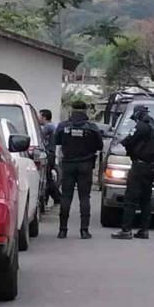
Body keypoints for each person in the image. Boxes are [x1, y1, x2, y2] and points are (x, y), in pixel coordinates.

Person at [112, 105, 154, 240]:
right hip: (152, 166)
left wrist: (123, 143)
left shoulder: (141, 126)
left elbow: (128, 140)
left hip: (139, 166)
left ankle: (126, 230)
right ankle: (144, 230)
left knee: (131, 199)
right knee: (146, 199)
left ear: (138, 115)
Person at [54, 102, 103, 239]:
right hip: (86, 165)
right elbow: (99, 145)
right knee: (84, 197)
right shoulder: (92, 128)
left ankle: (62, 230)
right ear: (85, 110)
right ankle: (84, 231)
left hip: (68, 164)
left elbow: (56, 141)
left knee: (66, 197)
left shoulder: (63, 126)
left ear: (71, 110)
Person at [38, 109, 62, 207]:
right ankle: (54, 198)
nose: (38, 118)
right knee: (48, 178)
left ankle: (57, 198)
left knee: (47, 178)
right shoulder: (52, 126)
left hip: (48, 154)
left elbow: (39, 138)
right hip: (51, 154)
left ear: (44, 117)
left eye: (39, 116)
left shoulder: (48, 127)